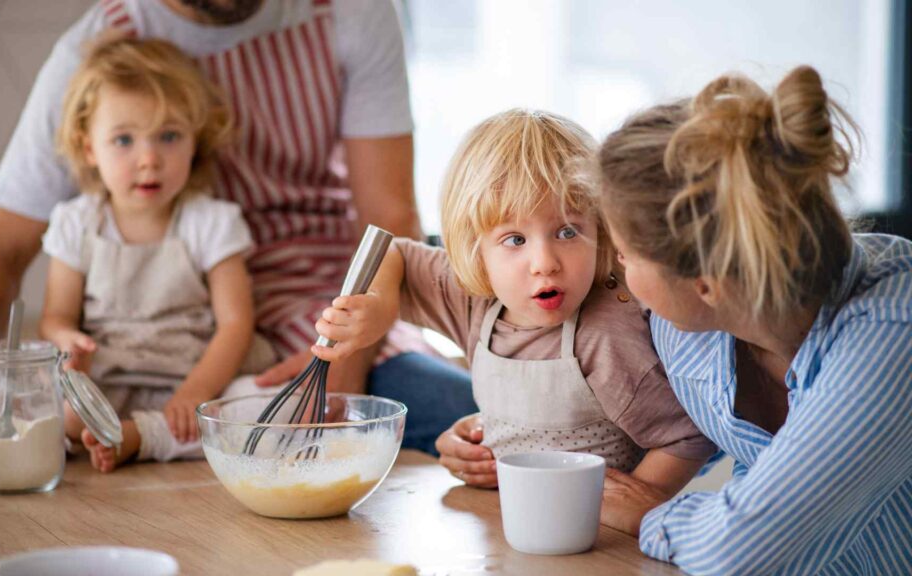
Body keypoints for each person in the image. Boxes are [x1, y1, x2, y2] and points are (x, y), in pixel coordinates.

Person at [0, 0, 476, 455]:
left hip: (325, 307)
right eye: (126, 140)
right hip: (192, 336)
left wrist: (347, 356)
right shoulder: (99, 50)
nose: (147, 157)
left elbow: (389, 221)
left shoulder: (348, 12)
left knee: (470, 416)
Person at [597, 65, 912, 574]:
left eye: (627, 253)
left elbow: (740, 550)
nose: (614, 265)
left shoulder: (894, 331)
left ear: (705, 282)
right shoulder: (686, 329)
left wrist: (656, 514)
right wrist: (484, 431)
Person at [312, 109, 716, 494]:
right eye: (515, 240)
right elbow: (391, 251)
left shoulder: (604, 338)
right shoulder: (475, 301)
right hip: (506, 524)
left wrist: (631, 508)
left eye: (568, 232)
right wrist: (382, 307)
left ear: (604, 230)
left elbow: (686, 438)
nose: (544, 264)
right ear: (476, 251)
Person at [41, 35, 276, 472]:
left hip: (194, 378)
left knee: (281, 406)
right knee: (52, 404)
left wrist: (196, 392)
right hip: (109, 382)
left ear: (195, 142)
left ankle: (141, 438)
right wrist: (69, 344)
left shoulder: (211, 222)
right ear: (89, 147)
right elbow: (56, 316)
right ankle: (113, 431)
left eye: (168, 136)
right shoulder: (75, 222)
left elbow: (236, 323)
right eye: (124, 140)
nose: (149, 159)